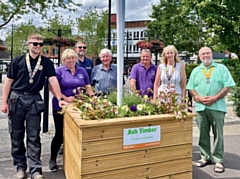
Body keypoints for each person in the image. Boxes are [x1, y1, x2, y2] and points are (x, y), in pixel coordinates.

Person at [1, 33, 68, 179]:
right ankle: (20, 167)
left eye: (40, 44)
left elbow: (53, 81)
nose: (38, 46)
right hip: (16, 98)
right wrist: (4, 102)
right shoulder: (17, 60)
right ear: (28, 44)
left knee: (33, 136)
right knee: (16, 135)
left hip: (34, 100)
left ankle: (35, 170)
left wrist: (59, 98)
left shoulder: (47, 63)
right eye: (34, 43)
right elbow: (8, 82)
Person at [186, 46, 235, 173]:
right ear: (199, 56)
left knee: (218, 134)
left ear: (211, 54)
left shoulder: (221, 68)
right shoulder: (196, 70)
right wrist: (197, 97)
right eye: (203, 54)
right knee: (203, 134)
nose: (206, 56)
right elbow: (190, 87)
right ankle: (205, 157)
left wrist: (215, 98)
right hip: (201, 107)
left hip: (217, 107)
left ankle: (218, 160)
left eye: (208, 53)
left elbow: (228, 86)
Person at [48, 48, 93, 172]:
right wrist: (65, 98)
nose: (71, 60)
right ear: (63, 60)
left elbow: (87, 86)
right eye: (68, 58)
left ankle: (73, 160)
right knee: (59, 134)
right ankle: (52, 159)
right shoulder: (59, 71)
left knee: (75, 133)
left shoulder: (82, 71)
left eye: (73, 58)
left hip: (78, 106)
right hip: (61, 106)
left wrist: (93, 98)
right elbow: (51, 87)